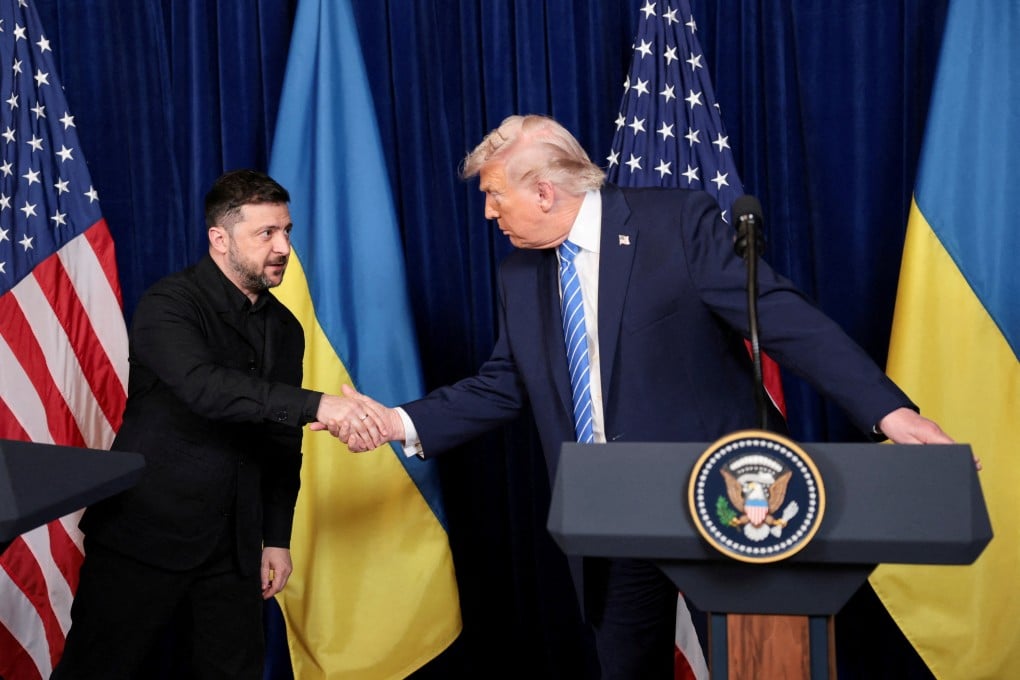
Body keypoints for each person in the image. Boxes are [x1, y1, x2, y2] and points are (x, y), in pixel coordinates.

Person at [334, 115, 954, 679]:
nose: (490, 212)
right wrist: (395, 421)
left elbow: (781, 317)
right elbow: (505, 382)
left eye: (495, 195)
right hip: (608, 515)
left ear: (544, 191)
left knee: (760, 666)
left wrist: (888, 412)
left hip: (722, 504)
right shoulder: (518, 273)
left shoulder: (676, 223)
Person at [52, 169, 388, 679]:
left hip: (234, 548)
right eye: (266, 234)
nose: (283, 247)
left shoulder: (285, 328)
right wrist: (318, 404)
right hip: (143, 535)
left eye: (286, 231)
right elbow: (204, 388)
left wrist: (275, 536)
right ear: (219, 238)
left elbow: (281, 442)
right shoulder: (169, 304)